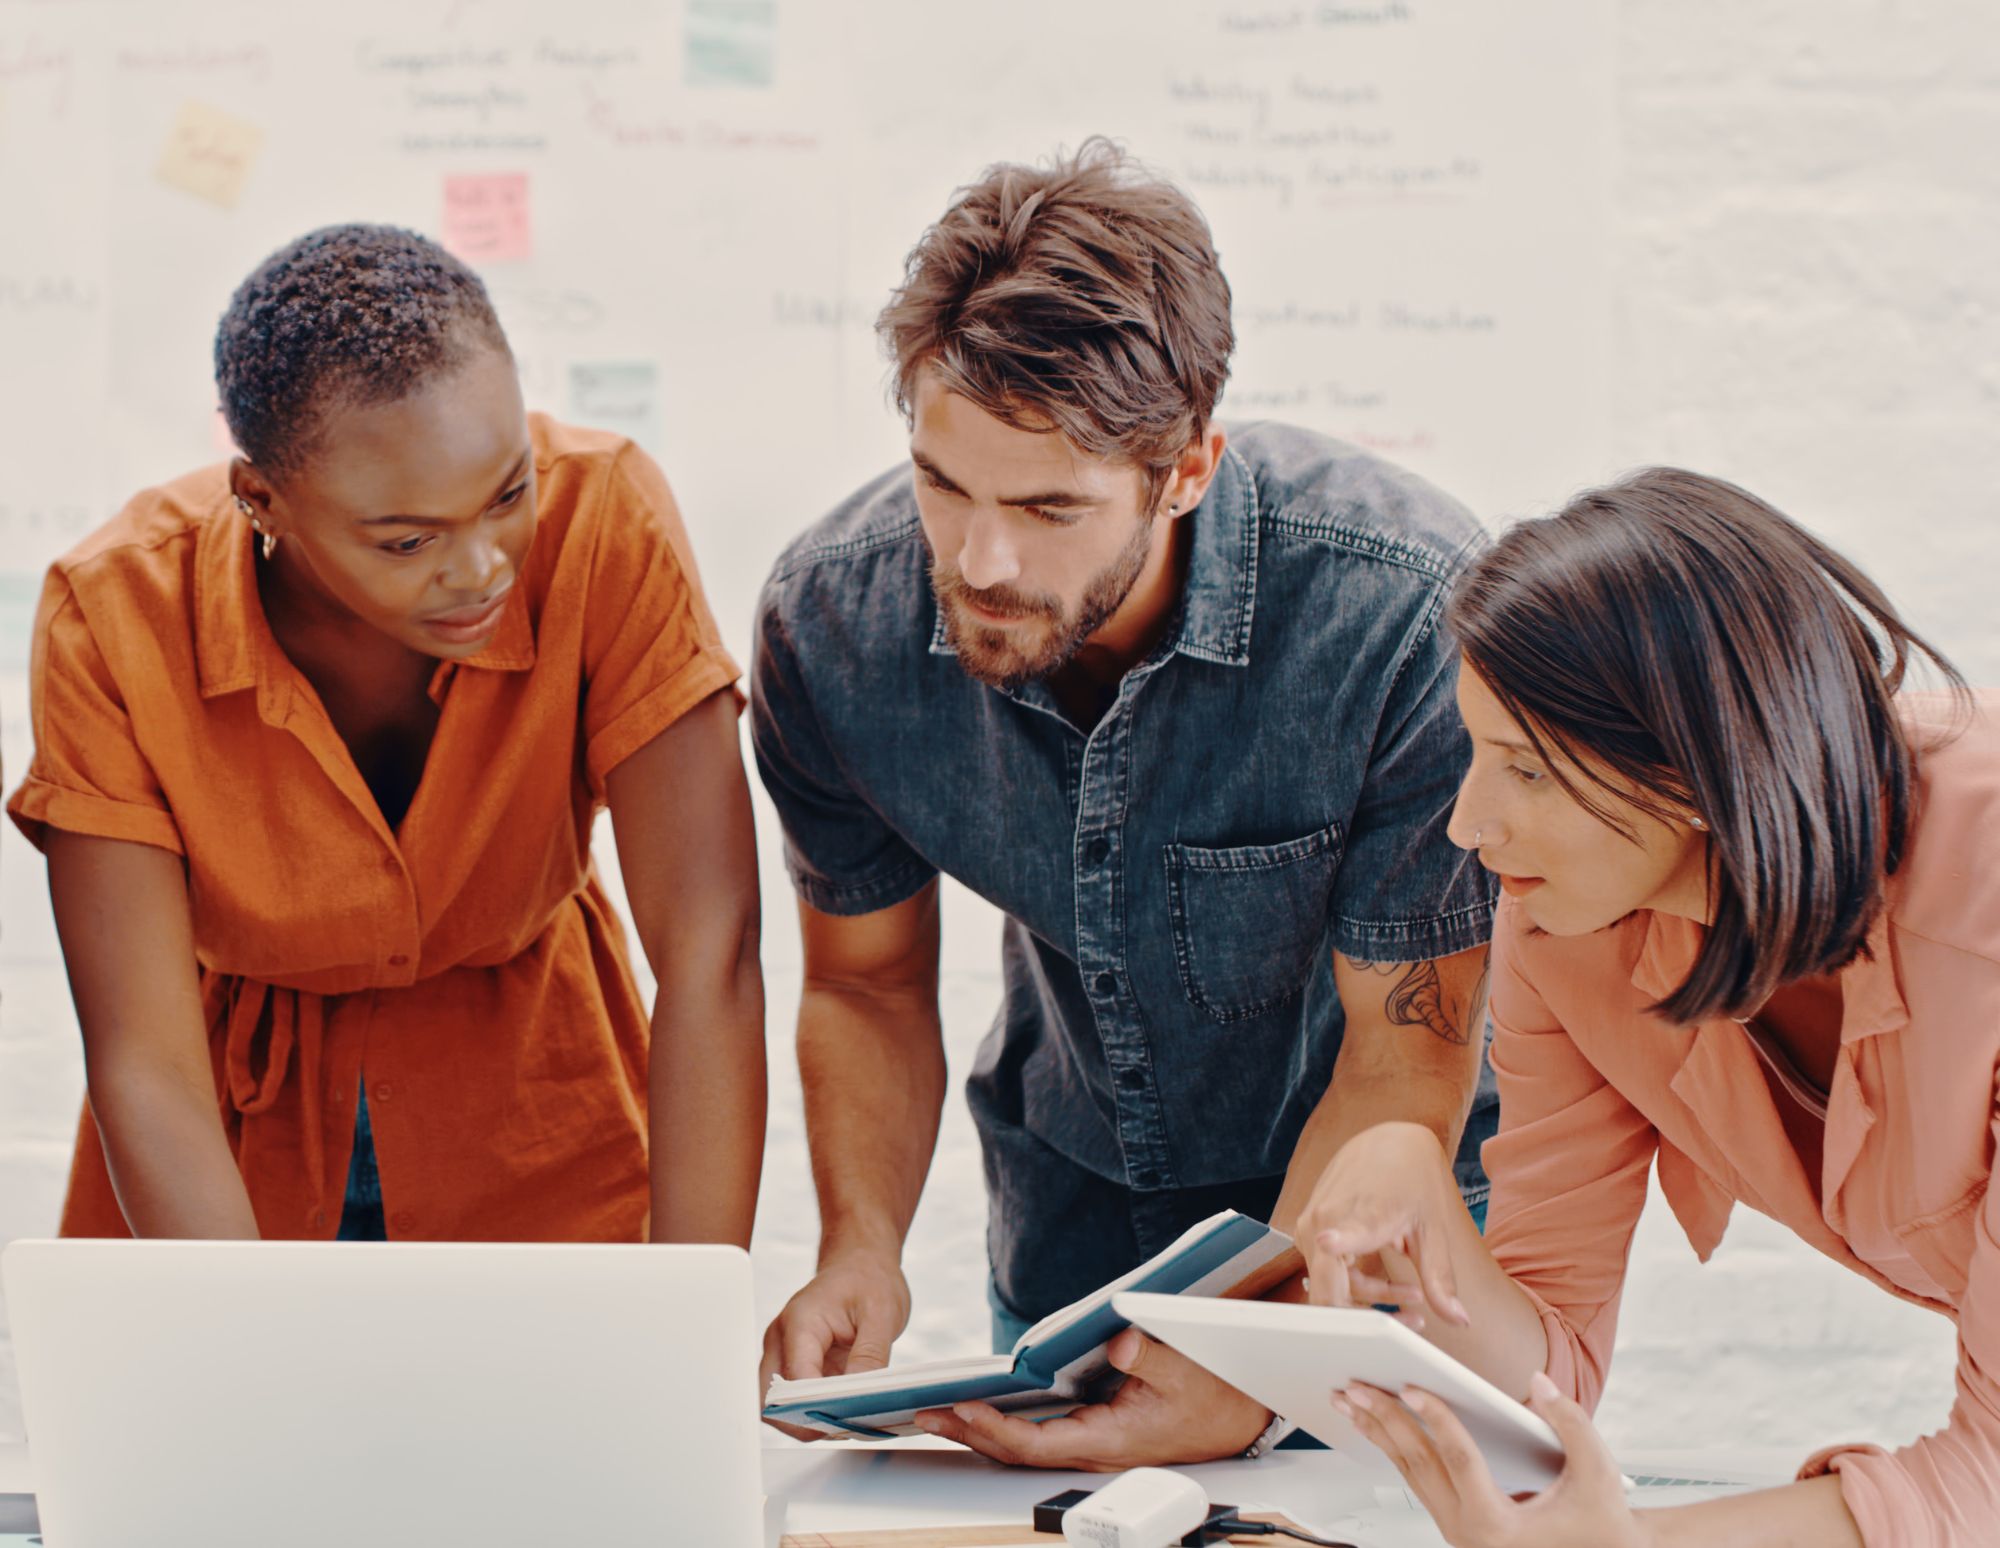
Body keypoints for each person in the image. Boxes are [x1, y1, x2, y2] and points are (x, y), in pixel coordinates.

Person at [751, 139, 1498, 1470]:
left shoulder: (1404, 617)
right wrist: (858, 1247)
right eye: (944, 484)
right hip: (1070, 1252)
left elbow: (1408, 1051)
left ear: (1189, 468)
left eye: (1050, 508)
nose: (981, 562)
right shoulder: (830, 626)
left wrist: (1254, 1361)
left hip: (1372, 1272)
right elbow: (862, 985)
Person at [7, 224, 766, 1246]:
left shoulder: (609, 515)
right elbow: (146, 1062)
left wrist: (695, 1309)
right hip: (223, 1167)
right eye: (406, 541)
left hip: (548, 1132)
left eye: (507, 495)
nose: (482, 569)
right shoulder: (111, 614)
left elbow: (709, 945)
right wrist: (235, 1340)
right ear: (262, 501)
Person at [1298, 468, 1995, 1547]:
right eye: (1474, 755)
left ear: (1695, 768)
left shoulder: (1982, 899)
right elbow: (1552, 1361)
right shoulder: (1567, 925)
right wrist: (1412, 1172)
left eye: (1523, 772)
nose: (1466, 826)